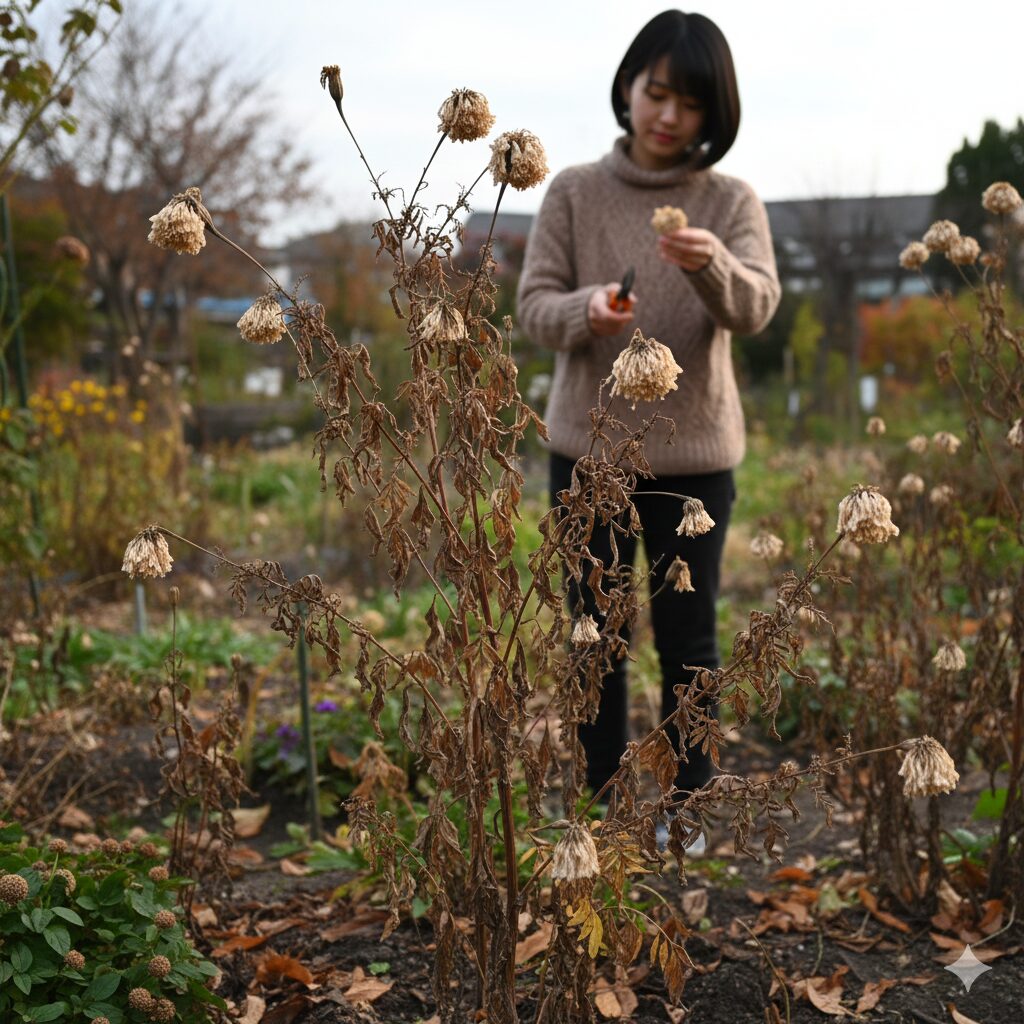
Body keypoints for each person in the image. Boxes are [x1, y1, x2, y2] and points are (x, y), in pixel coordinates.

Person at [516, 10, 780, 813]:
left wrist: (713, 268)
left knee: (688, 639)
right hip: (586, 455)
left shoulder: (729, 201)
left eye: (690, 103)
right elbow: (532, 305)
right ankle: (599, 801)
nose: (668, 116)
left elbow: (757, 307)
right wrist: (585, 310)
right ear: (627, 89)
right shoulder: (573, 191)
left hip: (696, 460)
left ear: (714, 114)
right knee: (593, 633)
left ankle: (686, 807)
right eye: (655, 92)